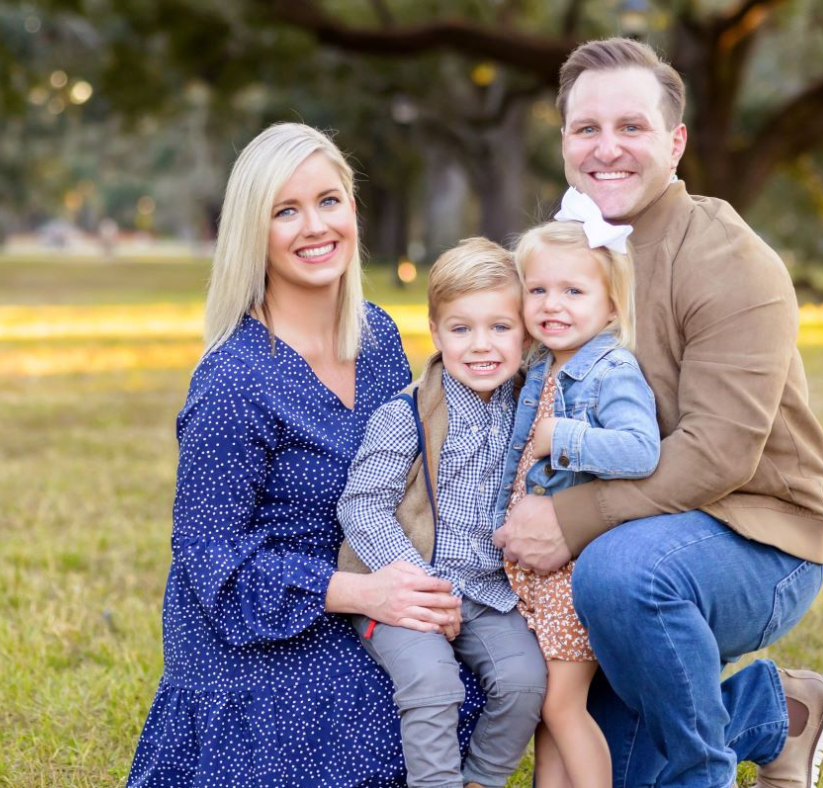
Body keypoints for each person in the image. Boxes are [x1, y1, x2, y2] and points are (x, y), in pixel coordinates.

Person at [493, 38, 823, 788]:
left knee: (622, 576)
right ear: (563, 142)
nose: (606, 148)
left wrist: (573, 521)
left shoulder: (729, 261)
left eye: (632, 127)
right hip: (632, 527)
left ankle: (700, 771)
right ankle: (772, 711)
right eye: (586, 129)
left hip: (753, 532)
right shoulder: (561, 260)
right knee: (612, 764)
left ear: (676, 141)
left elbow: (719, 454)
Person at [125, 122, 484, 788]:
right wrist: (364, 592)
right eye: (285, 211)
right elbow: (209, 559)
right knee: (368, 715)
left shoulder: (377, 337)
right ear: (252, 234)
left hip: (372, 581)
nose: (315, 226)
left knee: (491, 661)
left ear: (352, 209)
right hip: (256, 627)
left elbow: (414, 482)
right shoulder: (235, 381)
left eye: (329, 201)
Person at [337, 238, 547, 788]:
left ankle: (480, 779)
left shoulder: (529, 406)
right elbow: (362, 505)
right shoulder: (406, 412)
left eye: (500, 327)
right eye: (461, 329)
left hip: (486, 592)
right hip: (404, 585)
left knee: (525, 681)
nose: (482, 346)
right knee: (434, 682)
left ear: (525, 332)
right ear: (435, 332)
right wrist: (421, 587)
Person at [493, 211, 660, 788]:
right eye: (537, 290)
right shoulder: (542, 367)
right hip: (538, 573)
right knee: (549, 710)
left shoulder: (611, 369)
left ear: (611, 306)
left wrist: (561, 439)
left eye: (572, 290)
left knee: (563, 706)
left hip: (573, 572)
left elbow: (642, 451)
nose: (551, 304)